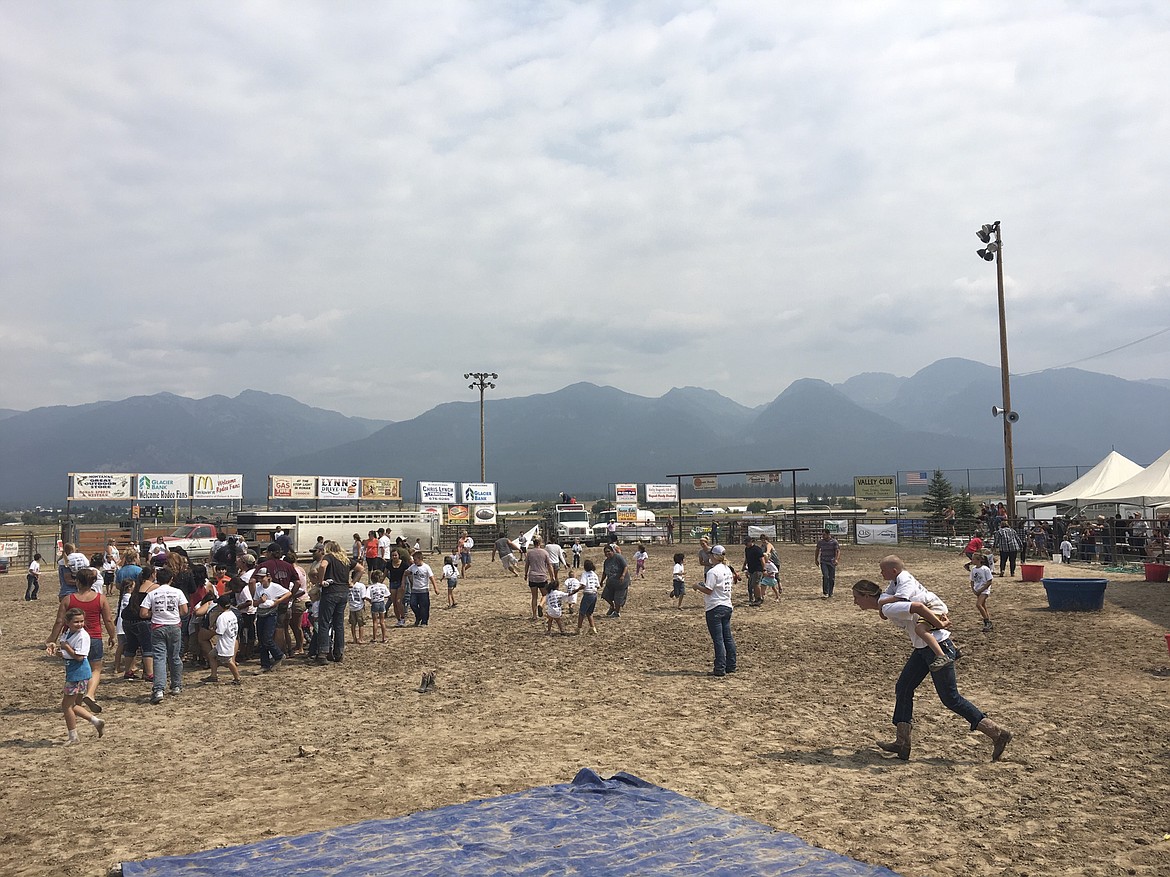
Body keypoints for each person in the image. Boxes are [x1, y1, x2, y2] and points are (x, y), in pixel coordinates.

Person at [851, 579, 1012, 762]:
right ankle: (902, 742)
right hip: (922, 648)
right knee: (903, 688)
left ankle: (998, 733)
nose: (855, 602)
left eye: (857, 597)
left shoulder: (889, 607)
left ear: (867, 595)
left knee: (951, 698)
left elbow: (917, 606)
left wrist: (939, 623)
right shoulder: (887, 604)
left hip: (936, 648)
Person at [45, 567, 116, 714]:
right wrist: (112, 635)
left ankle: (76, 700)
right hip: (94, 637)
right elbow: (108, 619)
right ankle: (90, 694)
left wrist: (52, 639)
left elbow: (59, 621)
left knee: (77, 669)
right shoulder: (100, 598)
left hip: (72, 639)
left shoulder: (68, 599)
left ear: (77, 581)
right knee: (95, 669)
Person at [48, 608, 105, 745]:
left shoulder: (82, 636)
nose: (79, 624)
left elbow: (79, 657)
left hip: (77, 672)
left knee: (66, 706)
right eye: (76, 622)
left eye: (81, 621)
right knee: (74, 705)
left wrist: (66, 647)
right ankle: (96, 722)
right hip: (76, 671)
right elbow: (68, 653)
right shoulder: (69, 633)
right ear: (67, 622)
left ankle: (73, 736)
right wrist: (56, 652)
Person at [140, 566, 189, 704]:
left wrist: (153, 613)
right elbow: (184, 610)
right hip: (174, 626)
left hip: (158, 627)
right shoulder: (177, 592)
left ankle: (159, 689)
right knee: (175, 656)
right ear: (171, 579)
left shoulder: (152, 594)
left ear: (157, 579)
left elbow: (143, 613)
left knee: (159, 658)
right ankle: (176, 685)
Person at [694, 545, 736, 678]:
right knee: (727, 637)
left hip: (715, 606)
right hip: (727, 605)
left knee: (718, 639)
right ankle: (731, 665)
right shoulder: (727, 569)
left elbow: (709, 590)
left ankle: (720, 667)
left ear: (714, 556)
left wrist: (697, 586)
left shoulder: (713, 571)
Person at [314, 541, 352, 664]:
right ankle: (339, 652)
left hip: (330, 592)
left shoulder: (329, 557)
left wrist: (321, 581)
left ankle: (323, 652)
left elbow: (322, 566)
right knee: (338, 623)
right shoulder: (345, 560)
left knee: (324, 622)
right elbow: (360, 569)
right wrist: (352, 582)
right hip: (343, 591)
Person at [253, 566, 291, 671]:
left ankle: (278, 655)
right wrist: (260, 601)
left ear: (268, 577)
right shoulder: (258, 588)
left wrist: (277, 601)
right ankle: (264, 664)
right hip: (261, 614)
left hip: (271, 614)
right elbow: (254, 603)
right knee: (262, 640)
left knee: (267, 638)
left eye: (262, 577)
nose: (260, 580)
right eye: (259, 578)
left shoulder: (275, 587)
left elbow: (288, 593)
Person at [208, 593, 242, 685]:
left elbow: (220, 632)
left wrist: (212, 629)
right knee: (211, 655)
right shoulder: (232, 614)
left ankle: (237, 678)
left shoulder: (222, 617)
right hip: (230, 640)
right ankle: (213, 676)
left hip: (225, 643)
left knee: (229, 661)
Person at [524, 536, 555, 621]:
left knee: (534, 596)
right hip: (542, 576)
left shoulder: (529, 553)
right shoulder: (544, 553)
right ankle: (541, 605)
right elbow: (549, 565)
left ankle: (534, 615)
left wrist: (525, 574)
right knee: (545, 594)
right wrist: (552, 576)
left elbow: (527, 565)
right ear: (540, 543)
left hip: (532, 576)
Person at [405, 550, 438, 626]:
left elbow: (431, 577)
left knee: (424, 606)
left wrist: (435, 588)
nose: (414, 561)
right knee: (413, 604)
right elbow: (406, 572)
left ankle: (424, 621)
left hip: (423, 590)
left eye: (415, 559)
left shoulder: (426, 567)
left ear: (420, 559)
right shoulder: (413, 567)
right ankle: (418, 616)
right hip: (415, 590)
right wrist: (404, 580)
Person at [599, 543, 630, 618]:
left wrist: (622, 575)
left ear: (612, 551)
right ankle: (612, 607)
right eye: (605, 552)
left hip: (621, 582)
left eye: (608, 551)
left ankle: (617, 612)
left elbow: (625, 567)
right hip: (611, 581)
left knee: (618, 598)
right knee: (605, 595)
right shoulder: (606, 562)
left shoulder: (618, 557)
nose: (607, 553)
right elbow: (604, 572)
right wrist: (601, 581)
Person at [970, 553, 994, 632]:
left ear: (979, 560)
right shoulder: (973, 569)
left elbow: (989, 581)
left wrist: (982, 589)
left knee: (978, 604)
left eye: (973, 559)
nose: (972, 560)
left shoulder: (985, 569)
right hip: (978, 590)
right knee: (983, 605)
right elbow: (972, 580)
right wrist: (974, 589)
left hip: (984, 590)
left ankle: (987, 621)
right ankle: (988, 621)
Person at [576, 559, 600, 635]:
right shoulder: (594, 574)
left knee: (581, 612)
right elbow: (598, 586)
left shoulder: (585, 574)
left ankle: (579, 629)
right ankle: (593, 628)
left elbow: (583, 585)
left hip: (588, 594)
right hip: (594, 595)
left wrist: (576, 590)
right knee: (589, 612)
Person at [814, 529, 840, 598]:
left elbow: (837, 551)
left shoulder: (834, 542)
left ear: (828, 534)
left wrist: (836, 559)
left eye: (824, 534)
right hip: (824, 561)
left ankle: (830, 592)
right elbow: (817, 550)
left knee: (831, 578)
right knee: (826, 576)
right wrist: (816, 559)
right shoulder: (820, 542)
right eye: (822, 534)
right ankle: (825, 591)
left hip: (832, 562)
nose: (823, 536)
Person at [347, 565, 370, 645]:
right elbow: (363, 597)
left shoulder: (348, 586)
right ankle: (361, 638)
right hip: (359, 606)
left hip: (351, 607)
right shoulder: (361, 586)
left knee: (353, 624)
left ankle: (354, 638)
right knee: (361, 624)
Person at [387, 549, 408, 627]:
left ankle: (403, 618)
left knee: (399, 601)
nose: (394, 557)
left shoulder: (404, 564)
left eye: (395, 555)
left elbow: (406, 574)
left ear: (399, 555)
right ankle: (398, 620)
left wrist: (405, 583)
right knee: (394, 603)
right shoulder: (389, 564)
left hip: (400, 583)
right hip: (392, 583)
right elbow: (385, 573)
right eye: (393, 555)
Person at [368, 570, 391, 642]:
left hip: (374, 603)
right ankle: (384, 638)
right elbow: (388, 595)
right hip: (381, 603)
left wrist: (370, 601)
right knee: (382, 621)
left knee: (375, 622)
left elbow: (367, 596)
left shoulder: (370, 587)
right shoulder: (383, 586)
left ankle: (374, 638)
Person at [742, 536, 765, 606]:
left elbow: (762, 559)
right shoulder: (747, 549)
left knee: (755, 584)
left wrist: (764, 569)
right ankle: (753, 599)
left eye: (747, 542)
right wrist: (744, 565)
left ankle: (758, 599)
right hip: (751, 569)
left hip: (758, 569)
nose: (745, 544)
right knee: (751, 585)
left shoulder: (757, 549)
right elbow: (747, 558)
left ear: (751, 541)